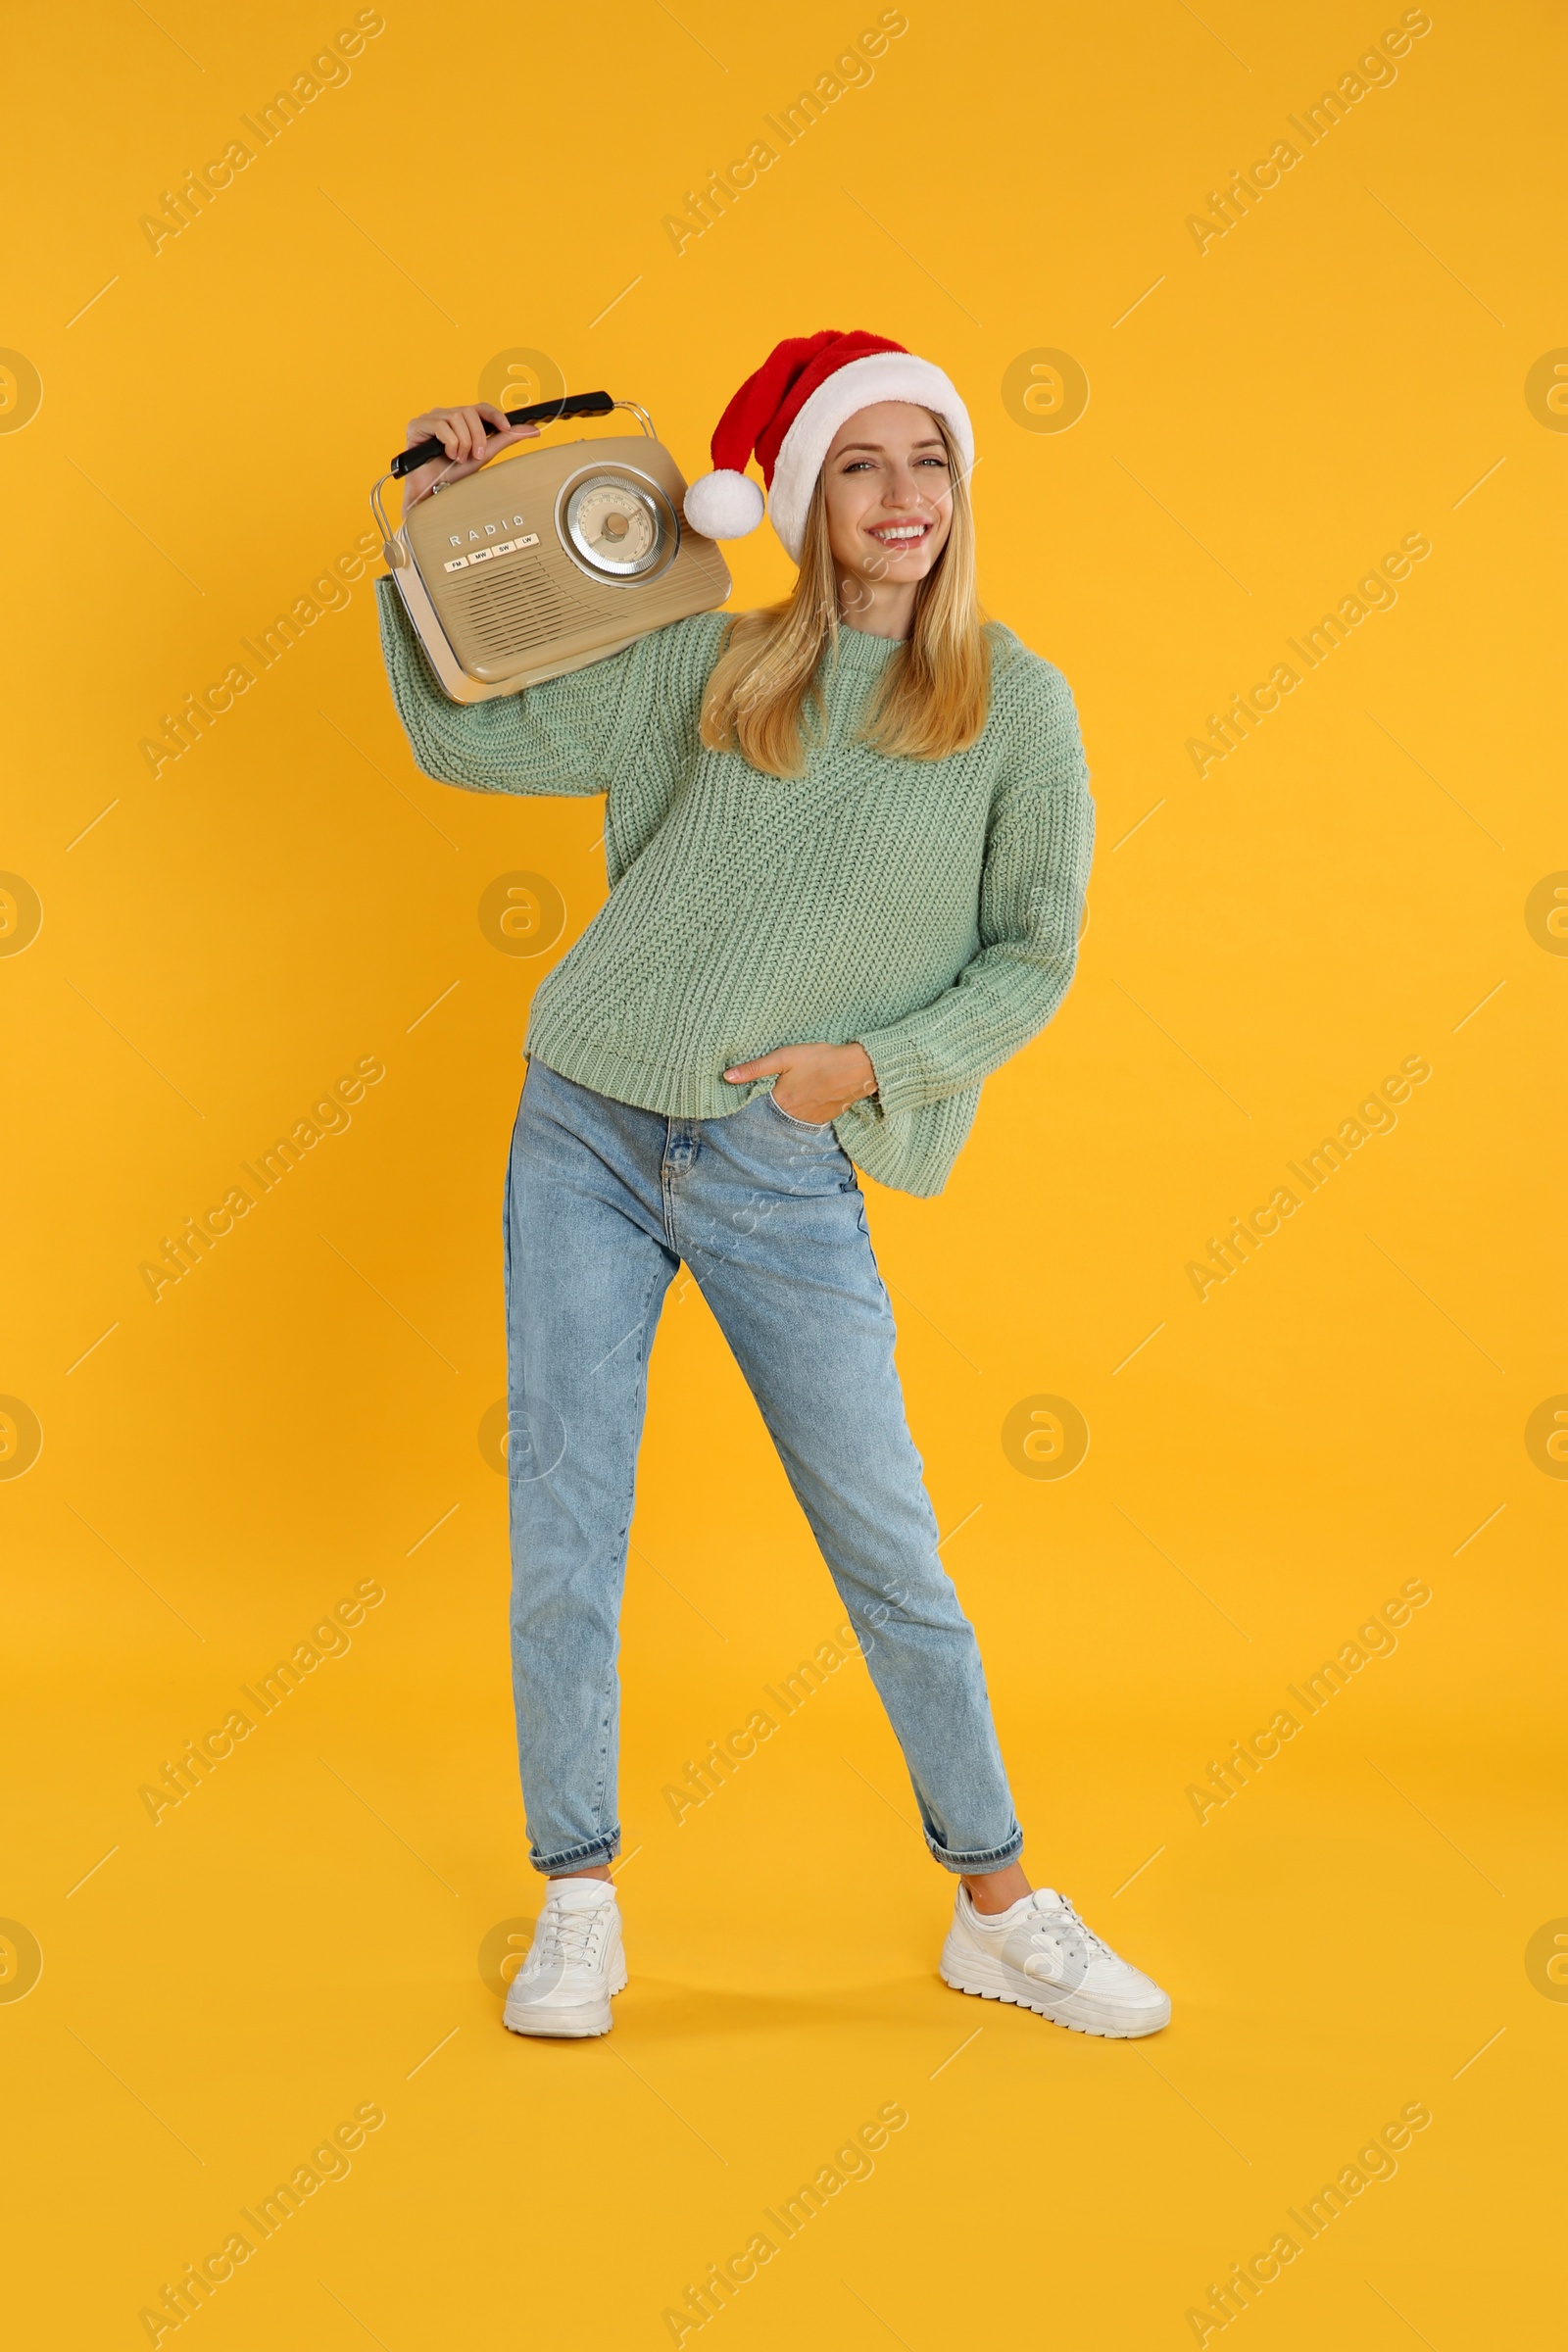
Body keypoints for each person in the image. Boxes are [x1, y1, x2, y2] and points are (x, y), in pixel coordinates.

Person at [377, 329, 1170, 2041]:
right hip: (583, 1117)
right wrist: (442, 527)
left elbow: (1037, 958)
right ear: (804, 496)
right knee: (567, 1525)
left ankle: (1002, 1905)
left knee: (887, 1545)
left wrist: (861, 1073)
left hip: (779, 1163)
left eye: (931, 462)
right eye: (864, 466)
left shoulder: (1013, 704)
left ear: (963, 491)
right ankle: (576, 1896)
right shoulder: (708, 665)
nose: (904, 499)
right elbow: (468, 742)